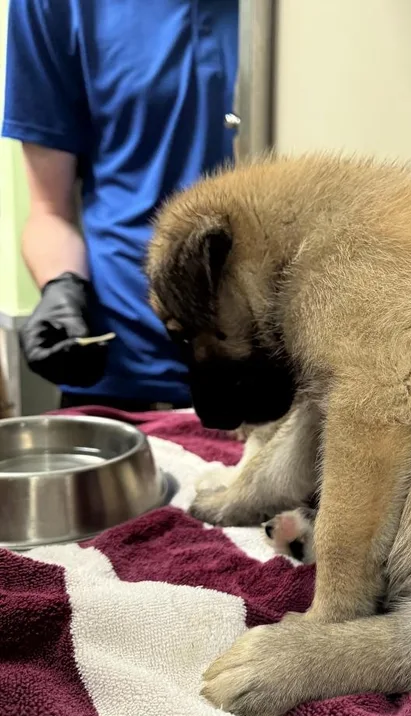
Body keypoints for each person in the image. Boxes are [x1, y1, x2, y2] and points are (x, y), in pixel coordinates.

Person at [1, 0, 239, 410]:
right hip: (122, 371)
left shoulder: (301, 21)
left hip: (280, 367)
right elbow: (49, 212)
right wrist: (61, 289)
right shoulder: (54, 6)